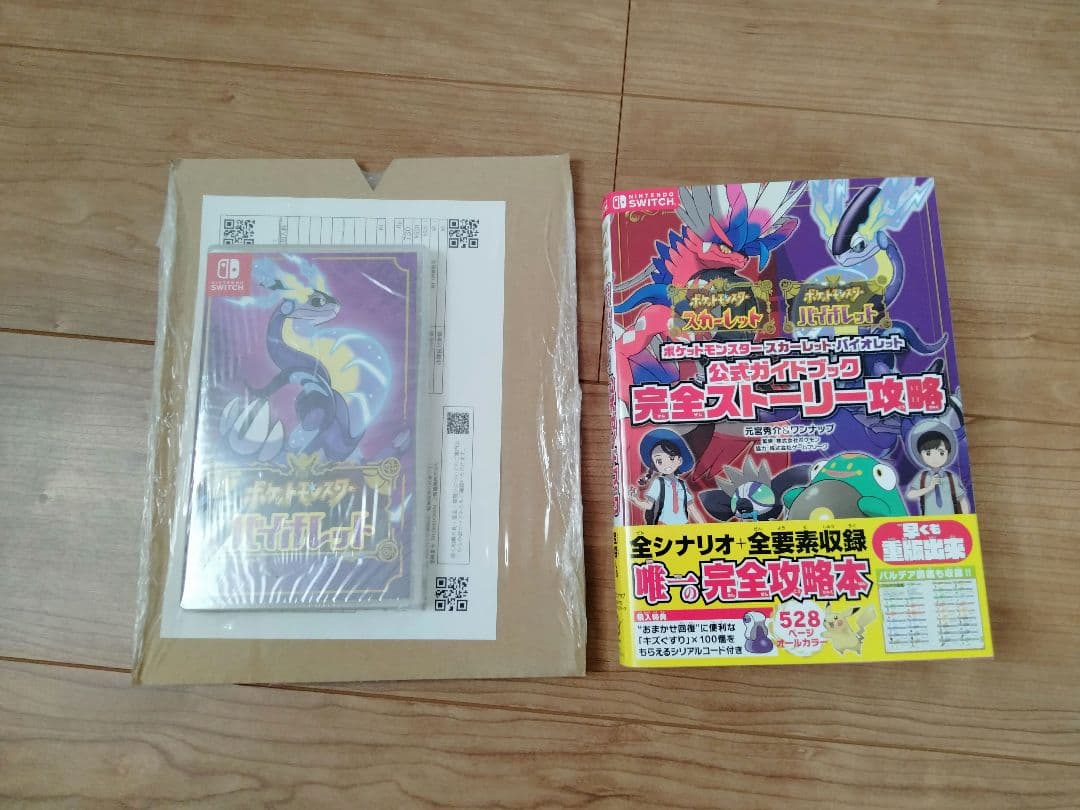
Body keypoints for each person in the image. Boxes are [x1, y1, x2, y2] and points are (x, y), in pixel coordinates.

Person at [630, 428, 707, 525]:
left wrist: (703, 525)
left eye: (671, 458)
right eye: (659, 461)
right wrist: (636, 500)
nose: (666, 464)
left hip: (683, 526)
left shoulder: (682, 485)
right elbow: (649, 505)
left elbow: (691, 507)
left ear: (679, 460)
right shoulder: (658, 483)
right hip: (663, 526)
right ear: (654, 464)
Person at [905, 419, 971, 515]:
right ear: (921, 455)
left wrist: (966, 518)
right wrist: (929, 488)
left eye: (941, 453)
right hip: (929, 521)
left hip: (951, 520)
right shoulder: (922, 477)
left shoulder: (951, 478)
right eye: (928, 453)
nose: (935, 458)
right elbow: (910, 495)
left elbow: (961, 499)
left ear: (948, 453)